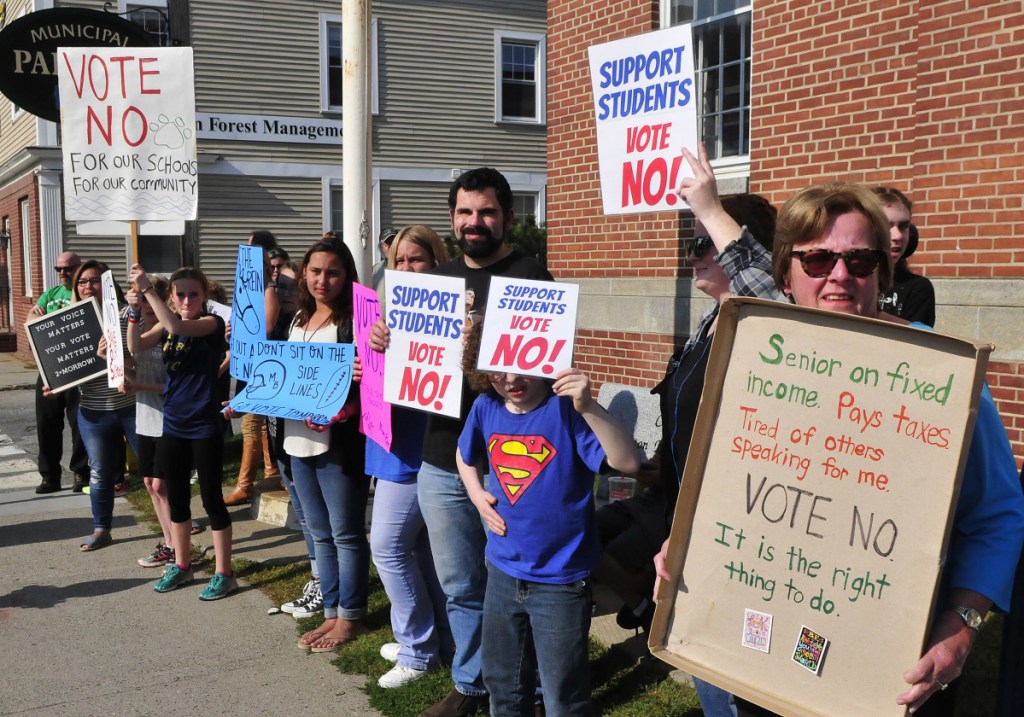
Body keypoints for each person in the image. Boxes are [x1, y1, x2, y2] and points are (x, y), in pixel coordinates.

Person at [655, 163, 1024, 716]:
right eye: (818, 259)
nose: (839, 275)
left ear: (882, 272)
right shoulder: (756, 350)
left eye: (859, 260)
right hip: (754, 644)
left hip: (883, 667)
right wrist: (687, 545)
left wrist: (962, 626)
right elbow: (728, 482)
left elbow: (997, 514)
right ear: (785, 275)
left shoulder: (937, 370)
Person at [370, 167, 553, 717]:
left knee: (519, 578)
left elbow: (540, 375)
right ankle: (472, 683)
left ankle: (533, 687)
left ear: (508, 218)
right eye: (467, 213)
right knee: (459, 581)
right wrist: (385, 341)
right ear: (453, 218)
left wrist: (482, 350)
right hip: (442, 454)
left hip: (511, 458)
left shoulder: (530, 278)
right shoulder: (431, 283)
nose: (477, 222)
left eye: (488, 212)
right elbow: (408, 370)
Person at [457, 321, 644, 717]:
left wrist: (589, 406)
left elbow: (627, 462)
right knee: (503, 687)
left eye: (520, 364)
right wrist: (477, 495)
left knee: (563, 696)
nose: (511, 379)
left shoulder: (568, 411)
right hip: (503, 574)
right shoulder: (485, 407)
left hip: (561, 582)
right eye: (496, 369)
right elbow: (464, 454)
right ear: (480, 367)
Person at [367, 225, 453, 689]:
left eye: (416, 259)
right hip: (389, 442)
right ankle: (429, 640)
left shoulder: (454, 314)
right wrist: (369, 356)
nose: (405, 268)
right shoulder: (385, 315)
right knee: (414, 550)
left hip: (422, 449)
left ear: (436, 261)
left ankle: (418, 652)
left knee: (387, 546)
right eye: (398, 260)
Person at [128, 264, 237, 600]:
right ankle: (183, 563)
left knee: (211, 499)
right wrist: (133, 311)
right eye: (180, 294)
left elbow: (177, 323)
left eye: (193, 293)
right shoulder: (168, 324)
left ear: (204, 296)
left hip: (203, 423)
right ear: (172, 296)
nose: (187, 299)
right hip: (172, 424)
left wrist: (147, 289)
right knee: (176, 497)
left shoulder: (211, 324)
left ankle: (224, 572)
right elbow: (135, 346)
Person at [285, 236, 369, 652]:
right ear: (304, 273)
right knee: (319, 533)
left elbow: (370, 387)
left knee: (346, 533)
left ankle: (350, 616)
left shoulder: (355, 323)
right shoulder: (298, 320)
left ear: (347, 276)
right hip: (297, 439)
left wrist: (348, 406)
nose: (323, 280)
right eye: (316, 271)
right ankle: (331, 611)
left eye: (333, 272)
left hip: (339, 443)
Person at [70, 260, 137, 551]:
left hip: (132, 404)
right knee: (99, 472)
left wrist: (112, 358)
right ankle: (101, 528)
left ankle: (176, 521)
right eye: (82, 282)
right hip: (93, 412)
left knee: (153, 467)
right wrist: (52, 382)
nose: (88, 287)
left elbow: (144, 362)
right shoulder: (69, 322)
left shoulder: (126, 315)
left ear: (108, 283)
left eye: (95, 280)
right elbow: (63, 369)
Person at [225, 230, 283, 505]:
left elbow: (267, 328)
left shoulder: (269, 291)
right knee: (257, 425)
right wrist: (232, 332)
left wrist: (240, 331)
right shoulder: (245, 293)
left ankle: (245, 483)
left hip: (260, 365)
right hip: (246, 363)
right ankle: (271, 470)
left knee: (251, 423)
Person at [123, 276, 176, 569]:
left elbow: (175, 385)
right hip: (145, 416)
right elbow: (133, 359)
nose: (140, 304)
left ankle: (176, 544)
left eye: (144, 297)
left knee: (162, 484)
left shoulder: (170, 329)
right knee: (149, 483)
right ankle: (168, 541)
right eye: (136, 299)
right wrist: (116, 366)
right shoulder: (142, 327)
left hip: (168, 419)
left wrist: (139, 385)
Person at [26, 250, 89, 494]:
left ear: (79, 267)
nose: (63, 273)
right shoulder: (50, 294)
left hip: (78, 368)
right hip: (50, 368)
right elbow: (32, 316)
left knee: (79, 423)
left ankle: (80, 472)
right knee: (47, 424)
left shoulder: (84, 290)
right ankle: (50, 477)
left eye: (68, 268)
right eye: (59, 269)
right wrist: (33, 313)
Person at [874, 187, 936, 326]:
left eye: (903, 226)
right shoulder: (841, 278)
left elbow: (916, 342)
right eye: (886, 225)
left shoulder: (917, 288)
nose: (898, 236)